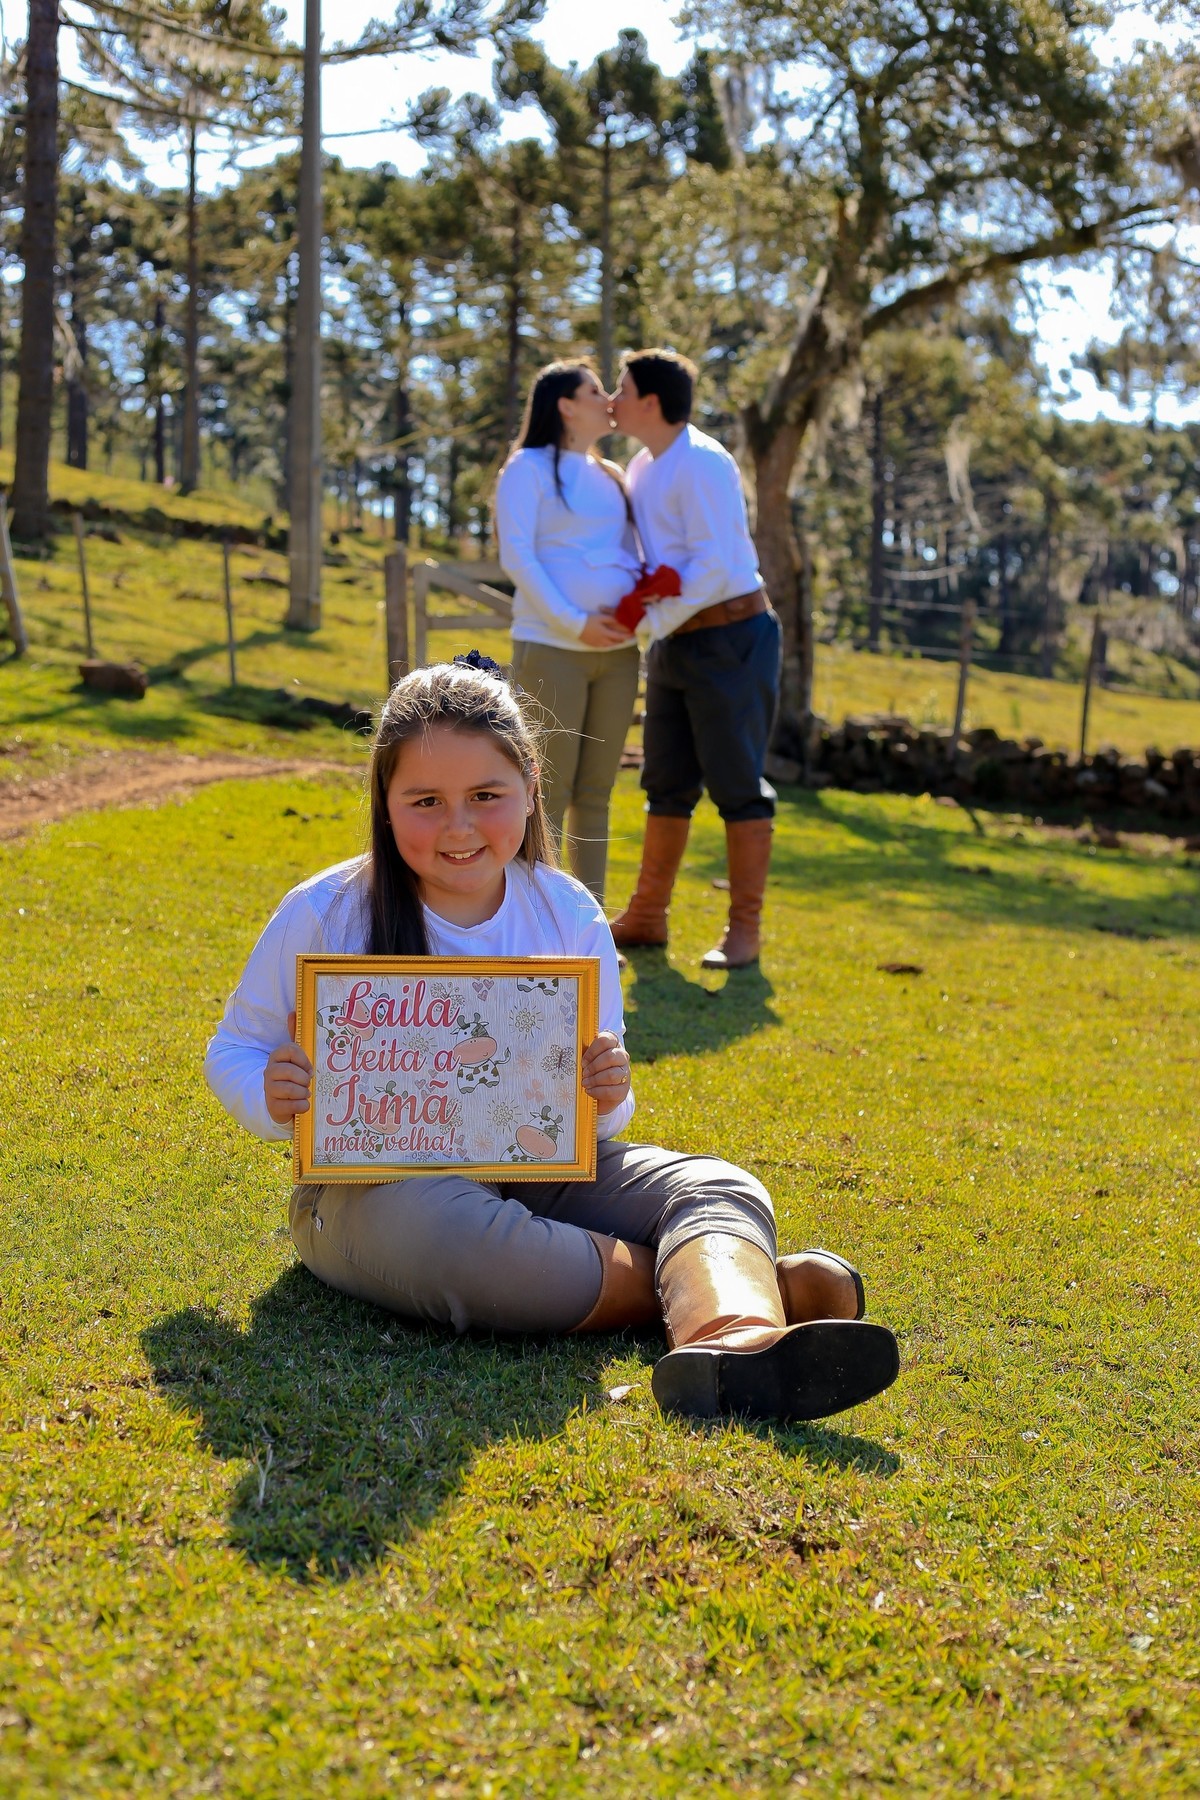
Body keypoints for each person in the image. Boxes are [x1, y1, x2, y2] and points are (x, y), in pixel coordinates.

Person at [204, 657, 899, 1424]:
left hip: (539, 1170)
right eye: (426, 801)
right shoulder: (328, 909)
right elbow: (234, 1047)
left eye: (486, 796)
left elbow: (598, 1121)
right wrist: (270, 1094)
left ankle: (733, 1340)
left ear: (532, 784)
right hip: (374, 1190)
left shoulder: (566, 911)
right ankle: (721, 1289)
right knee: (452, 1238)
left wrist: (609, 1091)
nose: (459, 826)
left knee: (719, 1187)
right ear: (385, 802)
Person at [608, 349, 780, 970]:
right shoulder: (641, 466)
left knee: (737, 783)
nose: (612, 400)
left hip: (732, 638)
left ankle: (745, 930)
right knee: (665, 779)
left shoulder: (703, 461)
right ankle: (648, 915)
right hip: (675, 642)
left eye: (622, 389)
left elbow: (710, 567)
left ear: (651, 402)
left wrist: (647, 625)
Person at [495, 360, 641, 906]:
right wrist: (576, 622)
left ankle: (590, 926)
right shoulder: (527, 468)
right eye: (595, 390)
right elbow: (518, 557)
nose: (608, 399)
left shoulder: (613, 476)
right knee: (546, 789)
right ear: (566, 405)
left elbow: (634, 555)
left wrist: (633, 617)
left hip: (619, 655)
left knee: (597, 791)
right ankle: (538, 918)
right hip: (552, 648)